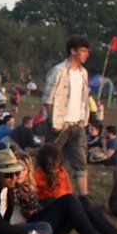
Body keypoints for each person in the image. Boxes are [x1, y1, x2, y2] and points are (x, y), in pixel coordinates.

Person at [33, 144, 117, 234]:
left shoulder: (55, 175)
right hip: (41, 231)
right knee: (75, 200)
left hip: (52, 224)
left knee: (82, 201)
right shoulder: (41, 177)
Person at [14, 151, 112, 234]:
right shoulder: (10, 187)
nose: (19, 173)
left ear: (28, 171)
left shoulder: (28, 188)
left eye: (23, 169)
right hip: (24, 231)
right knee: (70, 201)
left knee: (79, 203)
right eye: (16, 168)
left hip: (41, 227)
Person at [42, 35, 92, 196]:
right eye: (83, 51)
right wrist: (52, 121)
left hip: (77, 124)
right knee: (51, 160)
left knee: (80, 162)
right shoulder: (58, 71)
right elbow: (48, 98)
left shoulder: (83, 73)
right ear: (73, 51)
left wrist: (84, 119)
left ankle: (85, 197)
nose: (86, 55)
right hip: (60, 123)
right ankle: (48, 192)